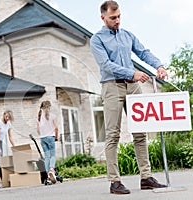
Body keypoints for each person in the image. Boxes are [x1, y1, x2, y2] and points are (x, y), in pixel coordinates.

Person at [90, 0, 168, 195]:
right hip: (112, 87)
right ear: (103, 18)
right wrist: (131, 73)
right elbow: (106, 65)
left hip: (133, 88)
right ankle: (114, 181)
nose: (117, 21)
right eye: (113, 18)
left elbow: (143, 52)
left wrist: (158, 65)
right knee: (112, 134)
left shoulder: (127, 35)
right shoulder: (97, 39)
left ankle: (146, 177)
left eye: (119, 17)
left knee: (140, 133)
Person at [37, 100, 59, 184]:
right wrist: (56, 137)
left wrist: (43, 133)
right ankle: (51, 169)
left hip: (43, 138)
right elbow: (56, 128)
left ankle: (48, 176)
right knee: (52, 155)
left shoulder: (39, 117)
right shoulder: (52, 116)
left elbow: (38, 130)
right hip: (51, 137)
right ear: (49, 107)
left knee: (46, 156)